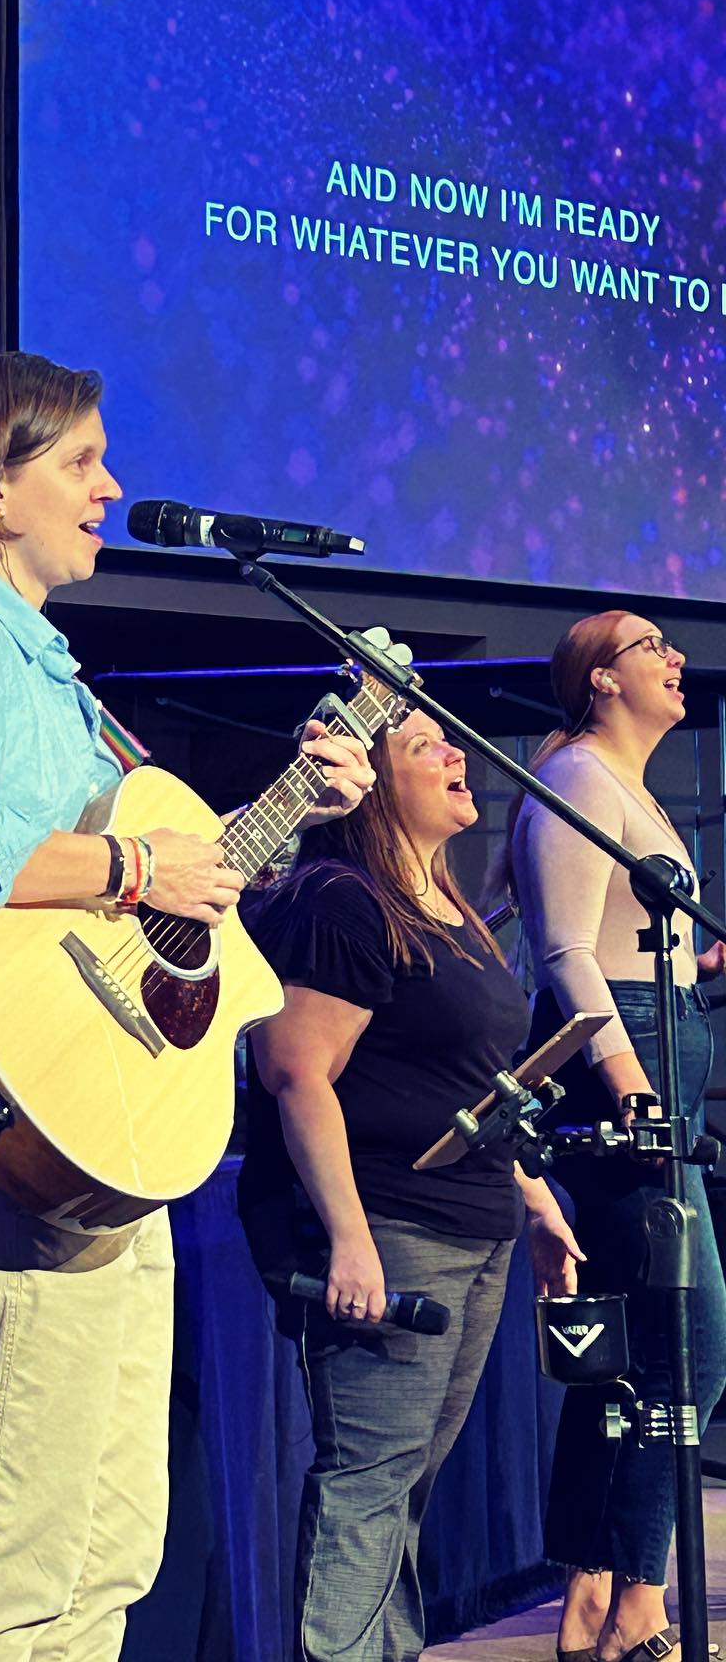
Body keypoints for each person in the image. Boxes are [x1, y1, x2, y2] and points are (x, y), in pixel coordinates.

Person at [0, 350, 375, 1661]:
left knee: (107, 1551)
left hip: (106, 1157)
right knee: (13, 1575)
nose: (114, 486)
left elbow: (155, 911)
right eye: (82, 463)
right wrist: (143, 864)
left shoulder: (53, 677)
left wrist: (281, 819)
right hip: (11, 1148)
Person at [240, 708, 583, 1662]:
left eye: (451, 740)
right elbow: (295, 1071)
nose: (455, 754)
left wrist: (538, 1200)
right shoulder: (340, 899)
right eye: (423, 743)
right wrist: (348, 1239)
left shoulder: (447, 903)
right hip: (392, 1225)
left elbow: (479, 1082)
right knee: (369, 1479)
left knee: (409, 1484)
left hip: (475, 1227)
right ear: (374, 784)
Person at [509, 610, 726, 1662]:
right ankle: (637, 1589)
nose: (674, 658)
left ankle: (595, 1589)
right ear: (600, 680)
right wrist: (631, 1079)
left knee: (636, 1344)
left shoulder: (623, 787)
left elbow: (626, 939)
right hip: (624, 1066)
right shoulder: (582, 780)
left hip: (656, 1043)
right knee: (691, 1338)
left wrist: (701, 974)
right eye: (649, 646)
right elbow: (562, 948)